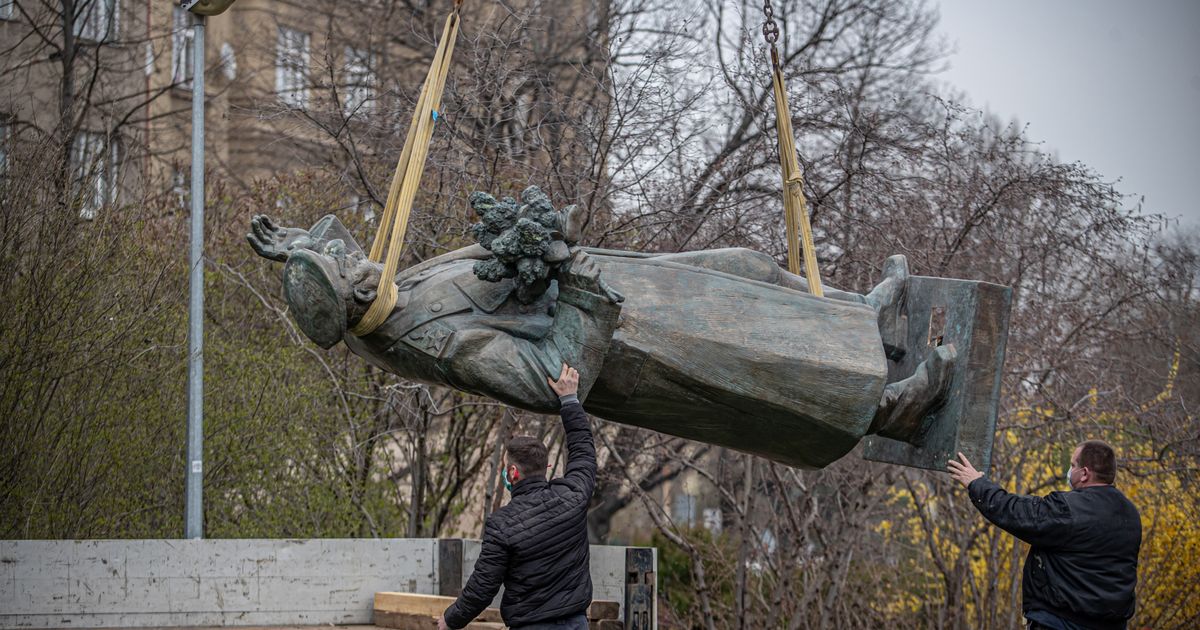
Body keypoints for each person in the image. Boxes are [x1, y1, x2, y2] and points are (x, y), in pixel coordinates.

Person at [248, 213, 959, 470]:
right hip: (624, 342)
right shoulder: (434, 342)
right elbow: (547, 379)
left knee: (743, 268)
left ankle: (858, 314)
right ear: (356, 298)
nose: (352, 248)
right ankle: (890, 408)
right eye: (343, 263)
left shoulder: (389, 294)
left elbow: (340, 267)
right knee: (766, 371)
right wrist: (584, 296)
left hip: (616, 286)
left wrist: (298, 253)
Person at [437, 364, 595, 630]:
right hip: (576, 625)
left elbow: (483, 587)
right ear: (545, 468)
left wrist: (450, 620)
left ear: (512, 472)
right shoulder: (573, 497)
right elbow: (583, 452)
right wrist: (569, 400)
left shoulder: (502, 525)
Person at [947, 441, 1141, 630]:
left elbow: (1016, 513)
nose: (1069, 470)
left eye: (1073, 465)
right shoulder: (1131, 513)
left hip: (1061, 622)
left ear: (1084, 474)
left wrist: (976, 484)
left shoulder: (1069, 508)